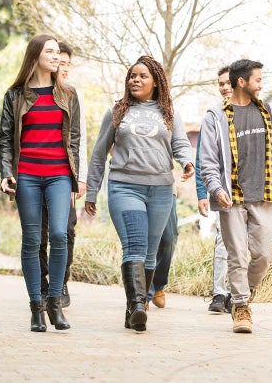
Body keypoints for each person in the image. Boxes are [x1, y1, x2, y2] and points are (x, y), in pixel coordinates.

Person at [85, 55, 195, 332]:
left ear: (156, 82)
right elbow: (99, 153)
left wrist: (187, 161)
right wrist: (91, 190)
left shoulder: (169, 113)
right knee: (134, 245)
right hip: (124, 186)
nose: (135, 79)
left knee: (150, 252)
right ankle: (137, 305)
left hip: (160, 188)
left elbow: (180, 142)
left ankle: (134, 309)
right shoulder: (117, 111)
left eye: (142, 76)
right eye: (132, 75)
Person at [200, 59, 272, 333]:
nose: (261, 84)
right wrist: (217, 189)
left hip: (263, 195)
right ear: (242, 82)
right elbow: (208, 159)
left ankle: (243, 292)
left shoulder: (266, 111)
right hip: (231, 198)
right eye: (257, 80)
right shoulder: (216, 115)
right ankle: (241, 306)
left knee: (263, 255)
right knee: (237, 255)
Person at [0, 34, 80, 332]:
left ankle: (55, 303)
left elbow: (74, 140)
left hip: (59, 174)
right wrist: (7, 171)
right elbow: (5, 139)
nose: (56, 56)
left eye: (58, 52)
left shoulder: (68, 94)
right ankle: (36, 307)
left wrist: (74, 180)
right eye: (50, 51)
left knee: (59, 234)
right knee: (32, 241)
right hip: (27, 175)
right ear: (35, 55)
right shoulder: (15, 95)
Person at [39, 41, 87, 308]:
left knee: (65, 230)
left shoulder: (71, 94)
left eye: (67, 63)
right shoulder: (31, 92)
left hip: (64, 175)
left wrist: (79, 178)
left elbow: (80, 140)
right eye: (60, 62)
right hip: (35, 175)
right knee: (39, 232)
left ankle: (61, 282)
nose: (63, 67)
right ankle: (44, 285)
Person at [196, 66, 233, 314]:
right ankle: (219, 294)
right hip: (221, 190)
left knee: (244, 246)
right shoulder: (213, 115)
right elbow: (203, 156)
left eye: (228, 82)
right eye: (220, 83)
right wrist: (202, 192)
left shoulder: (254, 112)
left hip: (249, 191)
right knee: (222, 241)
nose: (224, 87)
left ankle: (236, 293)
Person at [147, 185, 178, 309]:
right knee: (143, 239)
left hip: (166, 186)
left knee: (168, 239)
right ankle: (143, 292)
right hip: (138, 184)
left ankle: (158, 285)